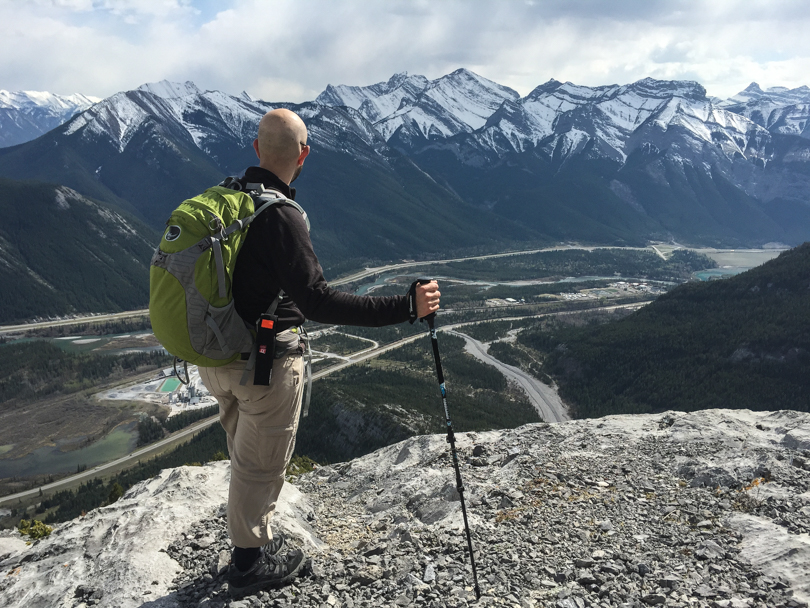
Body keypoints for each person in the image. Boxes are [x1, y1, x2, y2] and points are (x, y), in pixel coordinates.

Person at [197, 108, 440, 597]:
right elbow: (318, 300)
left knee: (245, 453)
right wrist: (406, 307)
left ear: (255, 149)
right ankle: (249, 562)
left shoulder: (226, 200)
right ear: (303, 156)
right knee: (260, 463)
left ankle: (251, 537)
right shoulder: (280, 216)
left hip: (215, 355)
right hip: (263, 364)